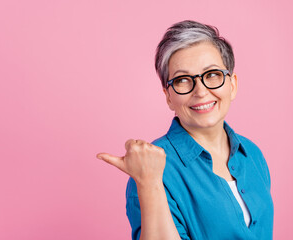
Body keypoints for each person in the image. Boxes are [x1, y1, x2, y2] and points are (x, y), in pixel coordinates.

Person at [96, 20, 274, 240]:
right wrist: (150, 183)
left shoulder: (252, 154)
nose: (200, 91)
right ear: (168, 96)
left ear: (232, 85)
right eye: (182, 80)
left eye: (211, 75)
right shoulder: (151, 170)